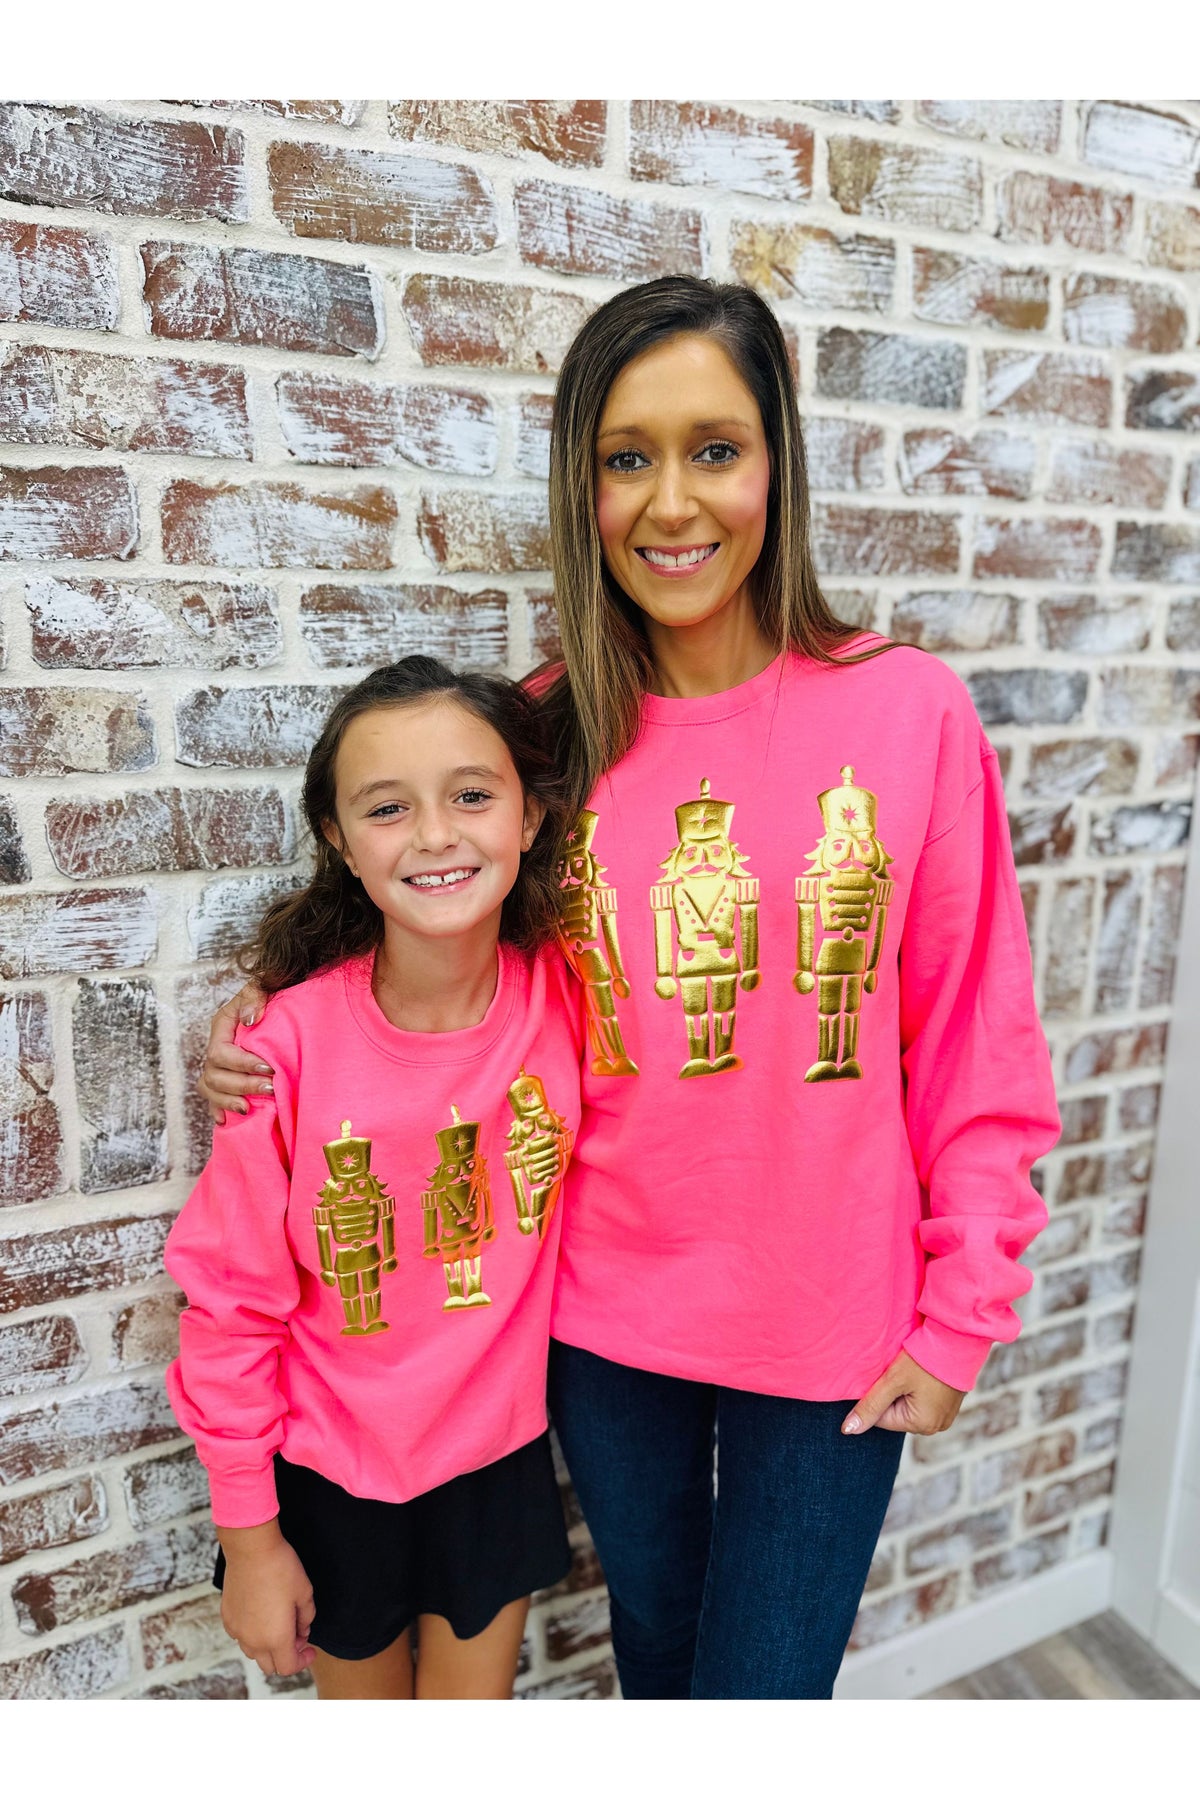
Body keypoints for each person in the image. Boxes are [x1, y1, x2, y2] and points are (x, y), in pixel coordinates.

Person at [198, 278, 1061, 1701]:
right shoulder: (545, 736)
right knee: (655, 1657)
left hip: (834, 1319)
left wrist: (967, 1304)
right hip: (603, 1319)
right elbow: (438, 935)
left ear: (777, 462)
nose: (672, 503)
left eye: (715, 448)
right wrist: (273, 1016)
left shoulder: (909, 710)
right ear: (582, 486)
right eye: (626, 457)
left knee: (762, 1695)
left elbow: (978, 1035)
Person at [167, 656, 580, 1700]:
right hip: (331, 1476)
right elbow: (230, 1304)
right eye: (388, 808)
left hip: (497, 1456)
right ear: (340, 844)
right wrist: (250, 1539)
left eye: (472, 795)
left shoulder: (573, 1000)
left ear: (530, 816)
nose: (436, 834)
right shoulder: (281, 1050)